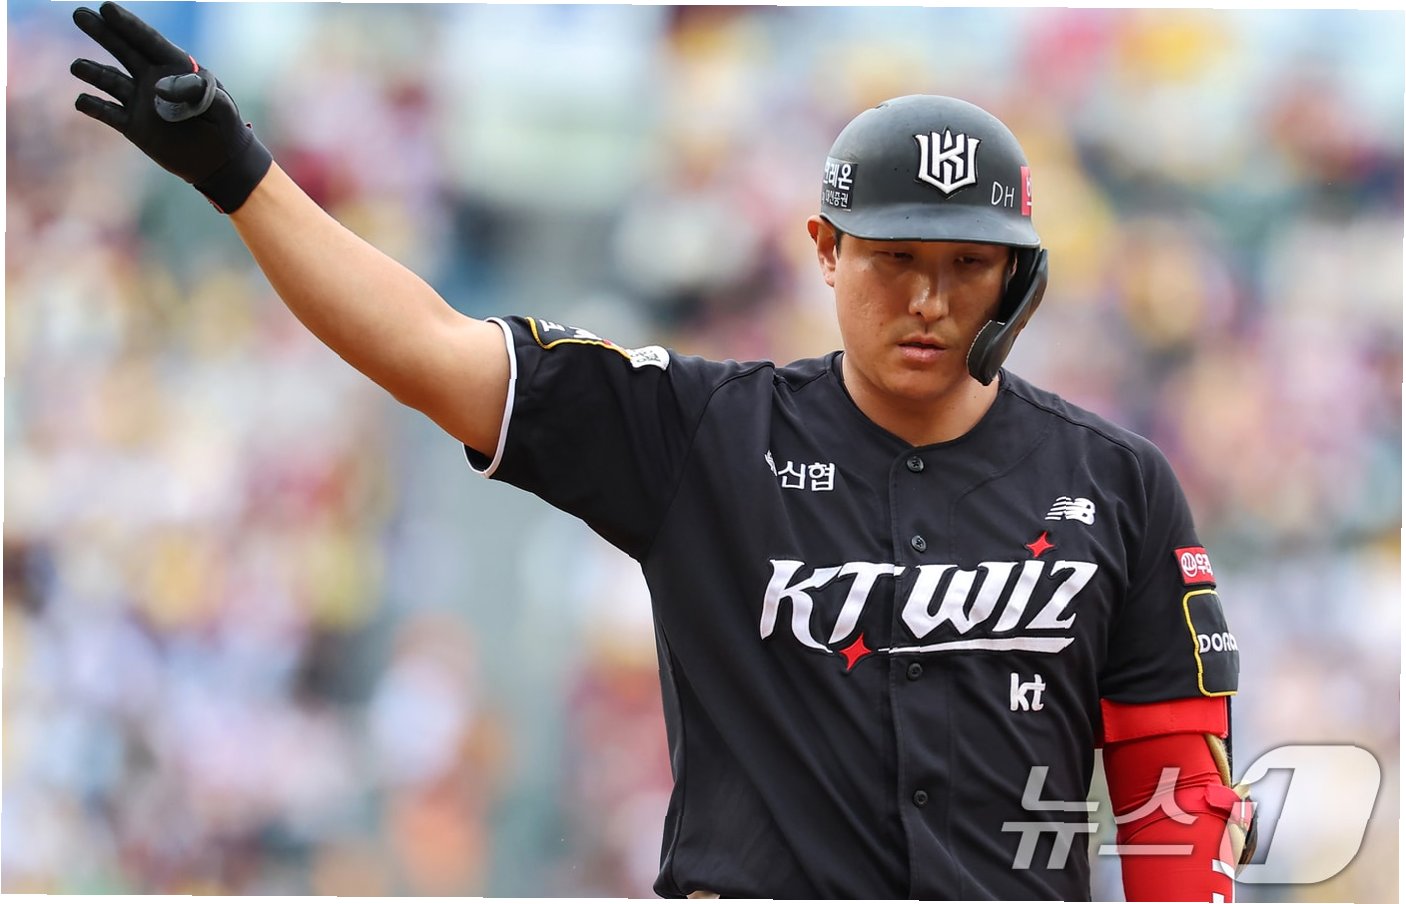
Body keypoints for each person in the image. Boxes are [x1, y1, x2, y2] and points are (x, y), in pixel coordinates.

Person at [70, 3, 1255, 899]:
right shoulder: (701, 431)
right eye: (893, 257)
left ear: (1017, 275)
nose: (927, 299)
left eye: (967, 264)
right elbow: (431, 349)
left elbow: (1178, 794)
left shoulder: (1115, 484)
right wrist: (241, 176)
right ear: (824, 249)